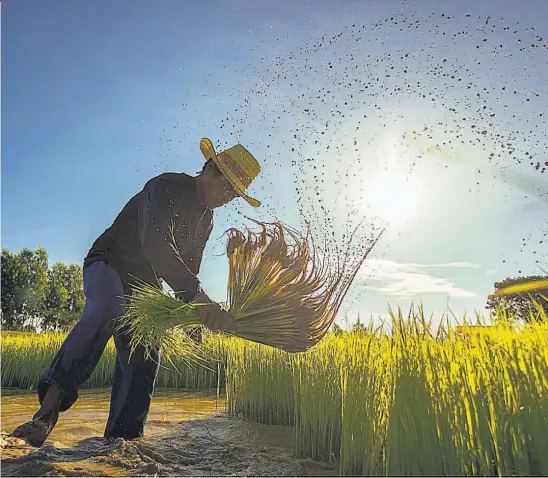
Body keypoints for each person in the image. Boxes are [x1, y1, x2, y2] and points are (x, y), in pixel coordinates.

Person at [12, 137, 261, 447]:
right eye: (227, 188)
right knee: (106, 307)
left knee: (146, 355)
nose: (228, 198)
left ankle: (121, 442)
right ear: (212, 170)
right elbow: (156, 245)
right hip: (109, 263)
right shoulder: (166, 187)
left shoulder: (207, 220)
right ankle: (47, 413)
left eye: (235, 195)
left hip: (145, 289)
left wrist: (192, 317)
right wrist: (198, 297)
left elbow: (189, 268)